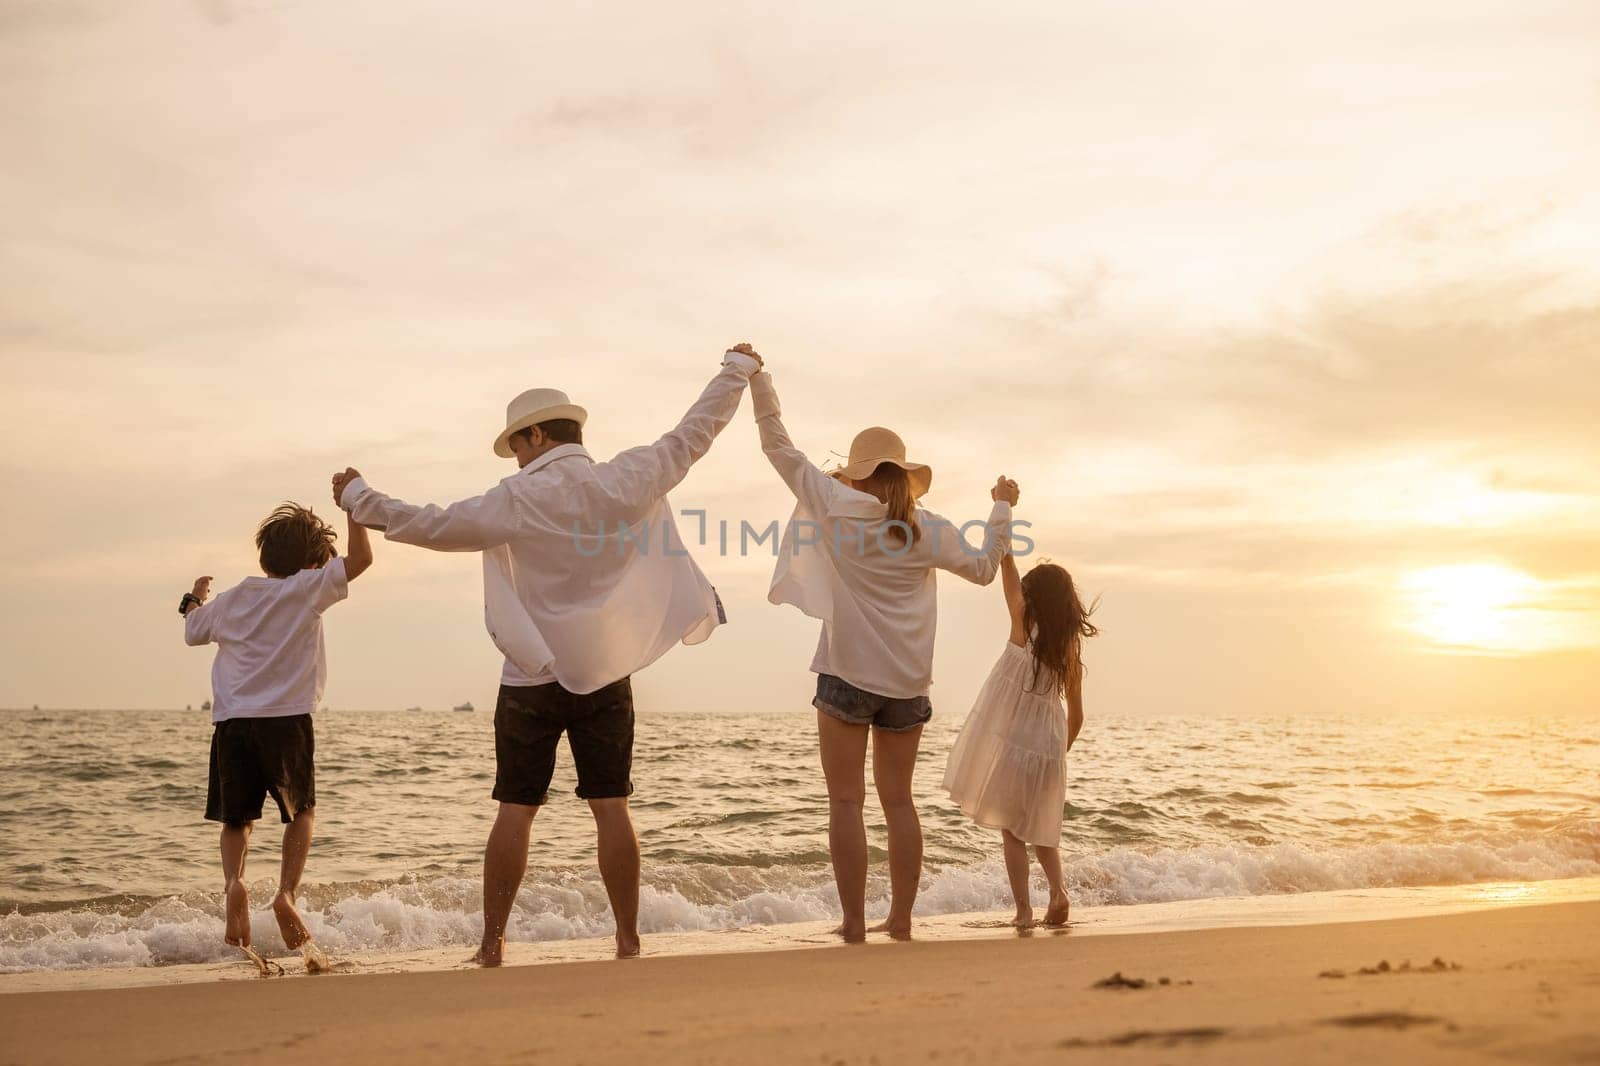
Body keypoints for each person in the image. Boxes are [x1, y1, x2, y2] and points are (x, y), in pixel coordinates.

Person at [330, 345, 763, 963]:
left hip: (531, 676)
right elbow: (698, 431)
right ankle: (627, 938)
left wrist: (358, 498)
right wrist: (735, 370)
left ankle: (492, 943)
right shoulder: (630, 475)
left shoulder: (515, 499)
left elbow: (429, 524)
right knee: (612, 808)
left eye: (518, 444)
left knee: (515, 810)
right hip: (606, 672)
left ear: (537, 434)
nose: (518, 456)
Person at [750, 365, 1017, 941]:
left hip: (846, 675)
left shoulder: (833, 507)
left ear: (858, 474)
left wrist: (757, 379)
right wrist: (1000, 508)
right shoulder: (930, 528)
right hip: (907, 685)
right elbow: (984, 568)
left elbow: (777, 444)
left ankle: (851, 923)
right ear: (904, 475)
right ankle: (899, 920)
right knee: (899, 803)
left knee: (845, 803)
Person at [180, 502, 373, 975]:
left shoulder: (229, 602)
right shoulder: (307, 589)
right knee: (301, 811)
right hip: (287, 721)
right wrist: (354, 509)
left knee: (236, 819)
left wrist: (194, 599)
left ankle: (233, 884)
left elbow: (191, 631)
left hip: (232, 723)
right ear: (311, 562)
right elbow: (361, 560)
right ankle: (286, 894)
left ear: (265, 555)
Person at [942, 553, 1095, 927]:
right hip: (1051, 743)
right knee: (1040, 826)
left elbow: (1007, 579)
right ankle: (1059, 893)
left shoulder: (1022, 621)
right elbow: (1077, 716)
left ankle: (1024, 911)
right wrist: (1056, 756)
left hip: (1018, 739)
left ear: (1034, 596)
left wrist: (1005, 543)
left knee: (1012, 829)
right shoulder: (1069, 650)